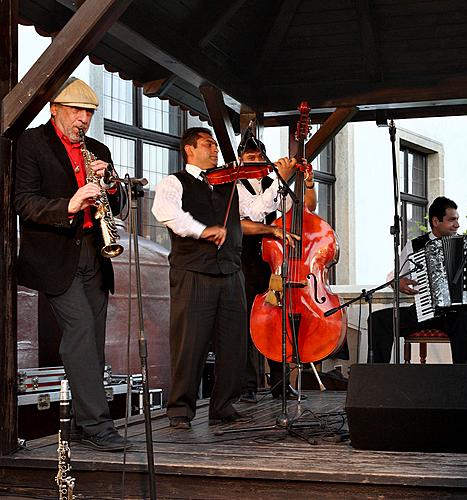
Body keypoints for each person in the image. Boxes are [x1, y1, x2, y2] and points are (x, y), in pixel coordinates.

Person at [151, 127, 295, 428]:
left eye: (216, 145)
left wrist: (279, 180)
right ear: (189, 150)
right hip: (193, 273)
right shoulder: (173, 182)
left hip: (230, 272)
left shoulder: (230, 185)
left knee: (233, 344)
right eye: (208, 145)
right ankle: (180, 410)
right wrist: (201, 230)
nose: (215, 150)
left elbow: (256, 212)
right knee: (190, 343)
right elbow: (164, 211)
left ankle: (223, 406)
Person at [14, 77, 128, 451]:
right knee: (79, 332)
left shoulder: (97, 147)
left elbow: (120, 205)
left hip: (95, 253)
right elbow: (24, 202)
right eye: (77, 111)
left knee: (93, 339)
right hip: (54, 256)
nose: (83, 120)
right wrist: (70, 203)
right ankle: (98, 424)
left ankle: (83, 423)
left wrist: (110, 184)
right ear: (55, 109)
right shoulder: (31, 143)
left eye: (89, 113)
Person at [235, 136, 316, 402]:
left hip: (275, 262)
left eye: (259, 157)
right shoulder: (234, 186)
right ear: (239, 160)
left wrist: (308, 183)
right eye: (249, 157)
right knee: (246, 321)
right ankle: (246, 384)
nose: (255, 161)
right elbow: (249, 219)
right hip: (245, 260)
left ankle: (280, 383)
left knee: (277, 321)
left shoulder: (276, 184)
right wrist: (281, 180)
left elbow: (306, 211)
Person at [369, 196, 467, 364]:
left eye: (457, 219)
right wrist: (397, 283)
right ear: (436, 221)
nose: (457, 225)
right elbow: (396, 275)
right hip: (425, 310)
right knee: (378, 320)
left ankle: (463, 384)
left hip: (459, 314)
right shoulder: (414, 246)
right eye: (452, 220)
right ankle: (378, 380)